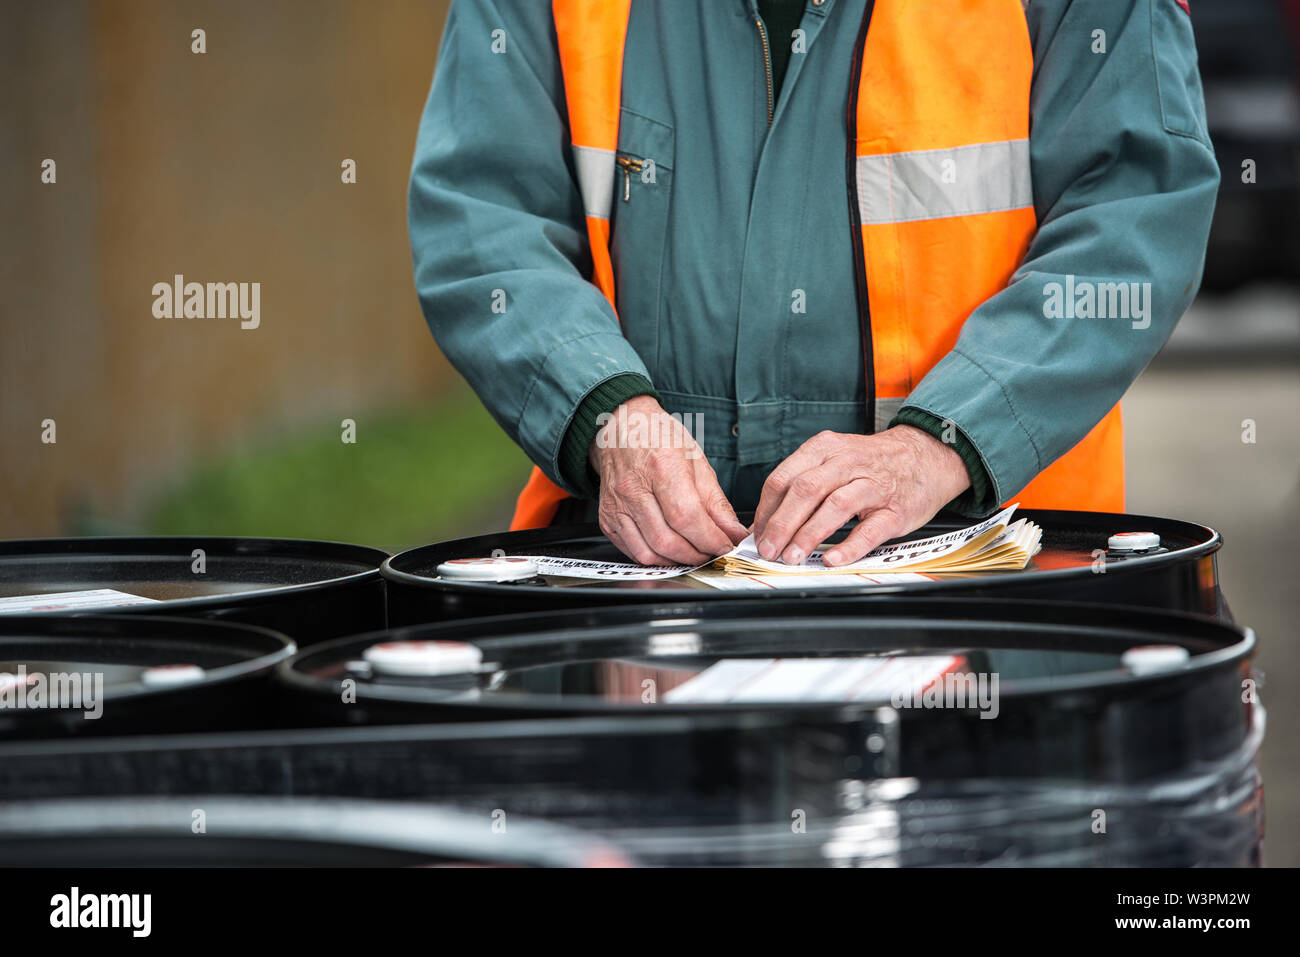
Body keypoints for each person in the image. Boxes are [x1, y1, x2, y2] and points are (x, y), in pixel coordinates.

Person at [409, 0, 1218, 567]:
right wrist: (605, 415)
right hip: (635, 587)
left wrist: (942, 443)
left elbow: (1136, 211)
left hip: (1000, 578)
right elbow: (483, 217)